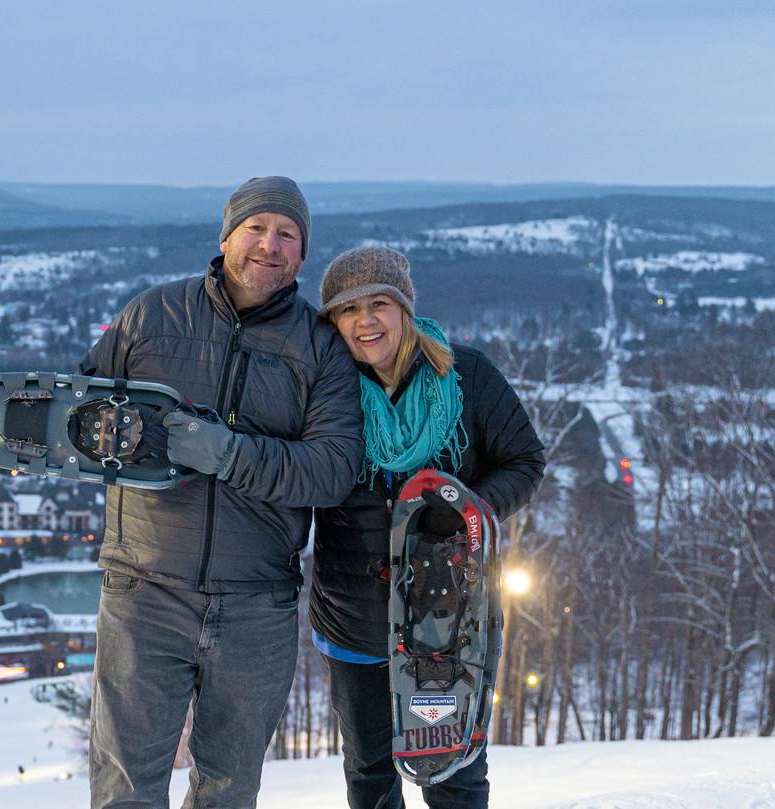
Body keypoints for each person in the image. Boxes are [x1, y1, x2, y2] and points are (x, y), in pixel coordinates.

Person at [79, 176, 365, 808]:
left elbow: (332, 469)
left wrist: (229, 454)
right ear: (226, 236)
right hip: (144, 588)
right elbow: (79, 411)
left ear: (302, 253)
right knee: (126, 783)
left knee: (229, 788)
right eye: (257, 228)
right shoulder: (153, 315)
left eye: (287, 234)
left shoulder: (319, 346)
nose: (270, 245)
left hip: (255, 602)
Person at [310, 246, 546, 809]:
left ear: (405, 309)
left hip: (449, 616)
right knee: (369, 772)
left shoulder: (467, 375)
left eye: (379, 304)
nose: (365, 321)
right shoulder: (325, 390)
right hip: (354, 618)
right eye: (348, 310)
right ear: (333, 324)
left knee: (453, 771)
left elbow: (524, 462)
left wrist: (461, 511)